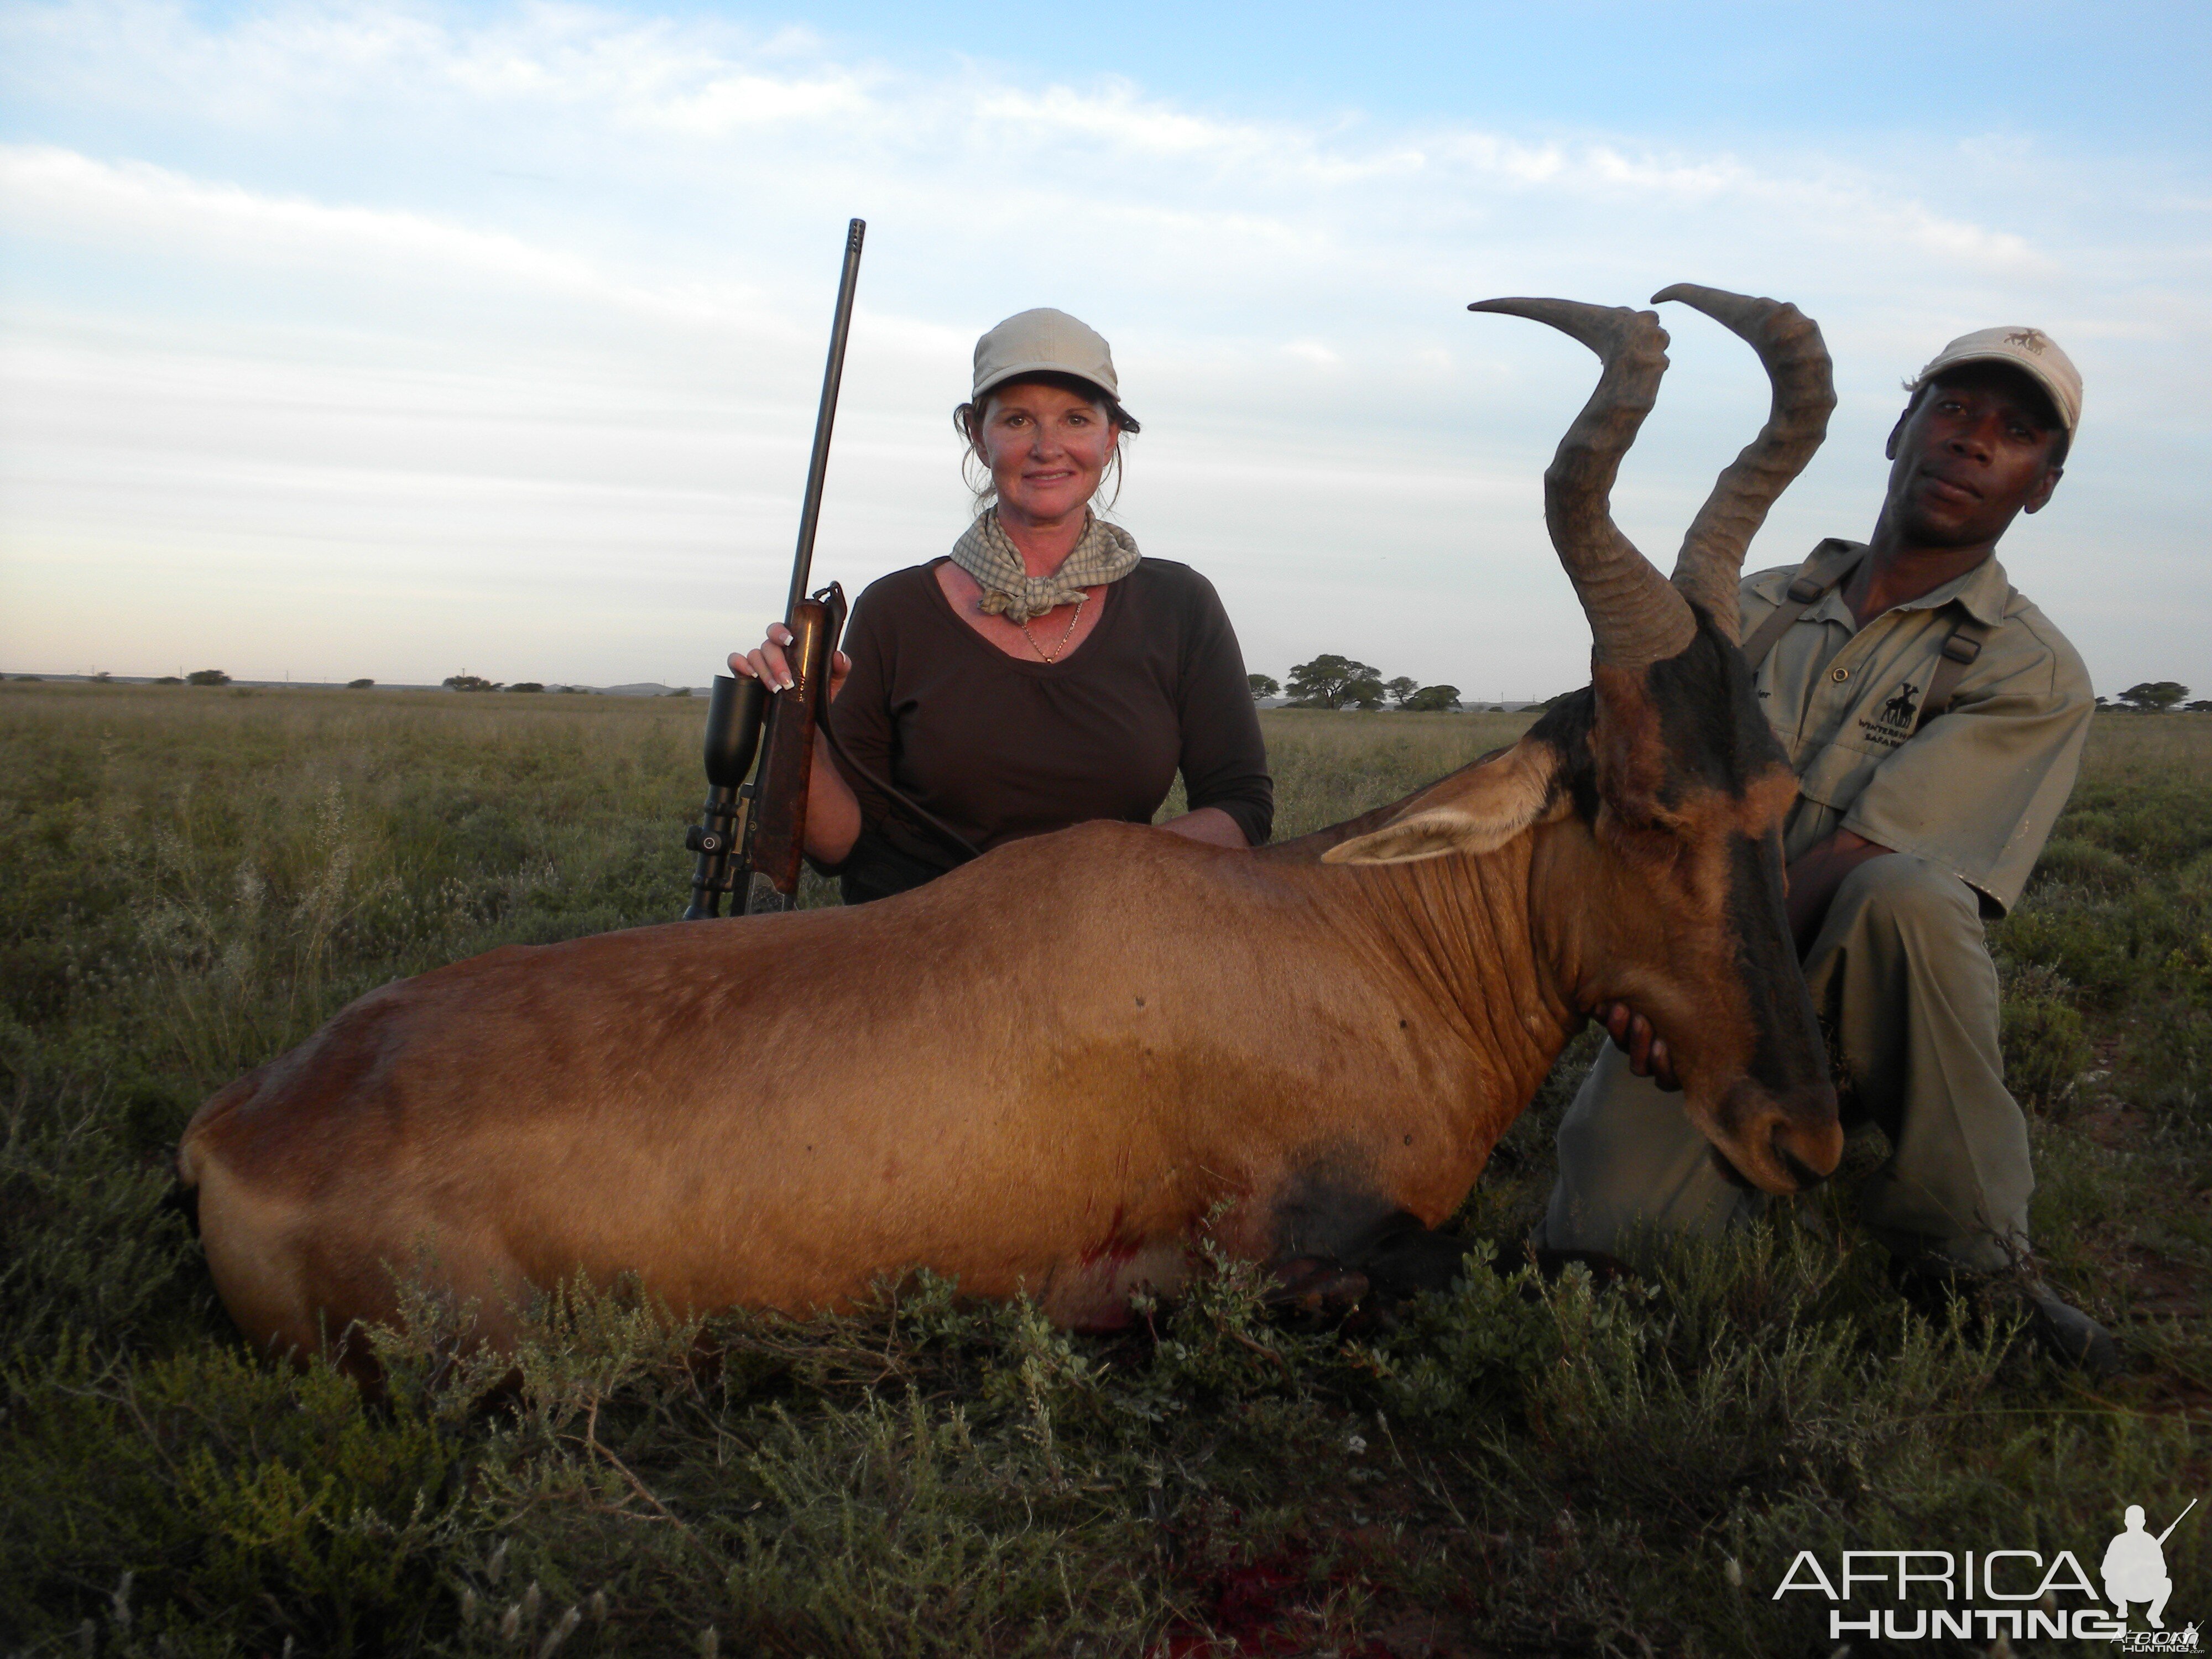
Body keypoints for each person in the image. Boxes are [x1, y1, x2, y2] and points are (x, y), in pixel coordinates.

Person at [1536, 324, 2115, 1370]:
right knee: (1603, 1260)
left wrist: (1682, 977)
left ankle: (1972, 1255)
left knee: (1905, 895)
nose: (1974, 442)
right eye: (1952, 410)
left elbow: (1859, 857)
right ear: (1900, 431)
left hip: (1848, 971)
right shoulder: (1741, 609)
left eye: (2017, 433)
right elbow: (1603, 786)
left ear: (2043, 485)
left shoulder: (2034, 671)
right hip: (1706, 973)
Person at [732, 307, 1272, 902]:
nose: (1047, 448)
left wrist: (1085, 881)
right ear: (976, 434)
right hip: (917, 949)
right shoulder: (896, 610)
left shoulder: (1179, 605)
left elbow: (1240, 808)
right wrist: (797, 728)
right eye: (1017, 420)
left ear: (1110, 436)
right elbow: (840, 848)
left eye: (1075, 419)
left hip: (1108, 941)